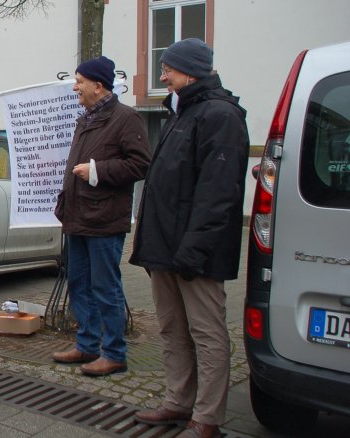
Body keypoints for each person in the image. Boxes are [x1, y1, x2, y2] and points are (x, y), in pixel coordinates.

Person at [130, 39, 248, 438]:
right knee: (172, 329)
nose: (161, 76)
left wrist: (192, 249)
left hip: (195, 254)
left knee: (207, 334)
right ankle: (178, 401)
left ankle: (207, 418)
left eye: (168, 68)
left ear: (192, 70)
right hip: (165, 250)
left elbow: (218, 194)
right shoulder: (180, 113)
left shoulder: (220, 115)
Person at [52, 56, 151, 376]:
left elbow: (141, 164)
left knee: (105, 287)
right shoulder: (86, 119)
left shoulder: (126, 118)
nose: (75, 86)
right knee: (79, 283)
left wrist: (97, 171)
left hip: (105, 219)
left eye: (80, 81)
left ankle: (114, 352)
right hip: (79, 216)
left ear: (98, 85)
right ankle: (87, 345)